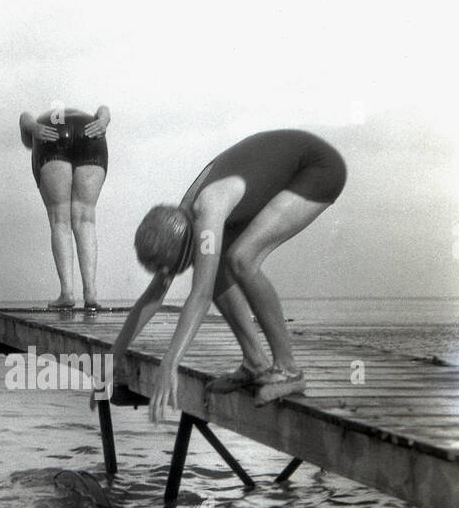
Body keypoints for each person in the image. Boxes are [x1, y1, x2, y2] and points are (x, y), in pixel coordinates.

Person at [110, 128, 347, 422]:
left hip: (319, 168)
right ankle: (255, 364)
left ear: (186, 244)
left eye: (172, 269)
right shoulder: (181, 220)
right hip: (285, 161)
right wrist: (111, 358)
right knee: (218, 264)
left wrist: (169, 364)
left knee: (241, 259)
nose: (169, 276)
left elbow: (201, 295)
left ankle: (289, 369)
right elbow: (154, 294)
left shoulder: (208, 211)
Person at [19, 103, 110, 310]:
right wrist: (103, 121)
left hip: (49, 133)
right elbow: (103, 109)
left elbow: (24, 116)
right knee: (86, 220)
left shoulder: (37, 129)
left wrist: (34, 128)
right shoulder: (80, 112)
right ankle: (91, 294)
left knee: (60, 220)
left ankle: (67, 293)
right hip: (89, 129)